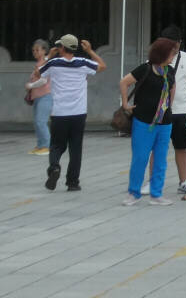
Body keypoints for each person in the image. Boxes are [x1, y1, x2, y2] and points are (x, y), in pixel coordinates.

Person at [37, 33, 105, 192]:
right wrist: (90, 51)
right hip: (79, 113)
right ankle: (73, 182)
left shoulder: (53, 63)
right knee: (76, 148)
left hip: (59, 113)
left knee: (56, 145)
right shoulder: (83, 63)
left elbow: (38, 73)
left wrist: (49, 56)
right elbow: (102, 66)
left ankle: (54, 168)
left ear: (62, 48)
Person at [119, 36, 177, 206]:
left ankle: (156, 194)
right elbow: (124, 82)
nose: (173, 57)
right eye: (171, 54)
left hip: (165, 122)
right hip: (144, 121)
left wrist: (168, 107)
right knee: (140, 158)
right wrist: (125, 103)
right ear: (162, 54)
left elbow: (172, 88)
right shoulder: (145, 69)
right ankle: (133, 193)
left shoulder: (170, 71)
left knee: (160, 159)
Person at [158, 25, 186, 197]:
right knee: (157, 148)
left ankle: (184, 181)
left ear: (180, 43)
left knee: (181, 147)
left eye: (176, 44)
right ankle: (152, 181)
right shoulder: (155, 58)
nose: (173, 48)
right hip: (160, 112)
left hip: (182, 111)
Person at [25, 39, 52, 155]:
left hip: (45, 96)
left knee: (41, 121)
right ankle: (40, 145)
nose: (35, 52)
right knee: (37, 122)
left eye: (37, 50)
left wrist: (31, 85)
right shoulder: (39, 63)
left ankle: (47, 146)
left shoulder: (45, 63)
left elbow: (43, 80)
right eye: (33, 50)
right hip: (38, 96)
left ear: (44, 51)